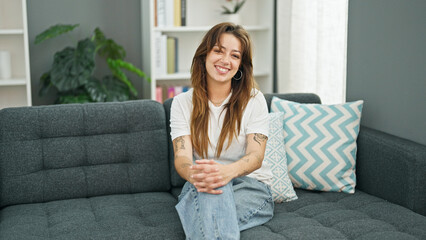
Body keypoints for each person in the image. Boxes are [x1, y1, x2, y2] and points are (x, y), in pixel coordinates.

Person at [170, 22, 274, 240]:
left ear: (240, 65)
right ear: (204, 55)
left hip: (251, 186)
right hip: (202, 183)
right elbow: (182, 157)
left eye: (235, 56)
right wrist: (194, 175)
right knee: (211, 196)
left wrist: (226, 173)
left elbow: (256, 156)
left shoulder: (254, 101)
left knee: (205, 211)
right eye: (218, 50)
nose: (225, 60)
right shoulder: (181, 104)